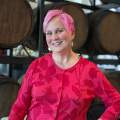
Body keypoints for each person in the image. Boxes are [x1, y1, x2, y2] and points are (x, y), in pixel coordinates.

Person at [8, 9, 120, 120]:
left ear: (72, 33)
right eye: (49, 33)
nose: (54, 37)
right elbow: (19, 107)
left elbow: (116, 102)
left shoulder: (89, 70)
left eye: (59, 31)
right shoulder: (36, 66)